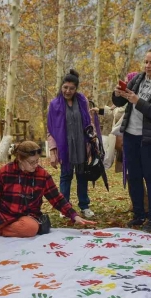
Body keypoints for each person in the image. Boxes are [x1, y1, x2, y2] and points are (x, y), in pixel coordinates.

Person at [0, 141, 95, 240]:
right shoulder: (5, 171)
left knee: (30, 228)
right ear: (20, 159)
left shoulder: (42, 175)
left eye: (37, 161)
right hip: (1, 214)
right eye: (32, 162)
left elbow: (57, 199)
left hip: (25, 217)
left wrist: (73, 215)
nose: (35, 165)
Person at [111, 44, 151, 232]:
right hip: (131, 135)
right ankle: (139, 215)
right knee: (134, 177)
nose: (147, 66)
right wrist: (118, 94)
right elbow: (120, 101)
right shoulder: (139, 78)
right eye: (146, 62)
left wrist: (137, 100)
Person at [47, 69, 102, 219]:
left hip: (82, 145)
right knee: (66, 176)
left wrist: (93, 136)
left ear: (76, 88)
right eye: (65, 87)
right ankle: (65, 207)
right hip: (65, 148)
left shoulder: (82, 100)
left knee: (82, 176)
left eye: (71, 88)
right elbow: (50, 129)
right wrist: (53, 150)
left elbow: (88, 121)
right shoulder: (54, 104)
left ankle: (84, 206)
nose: (68, 91)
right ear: (61, 87)